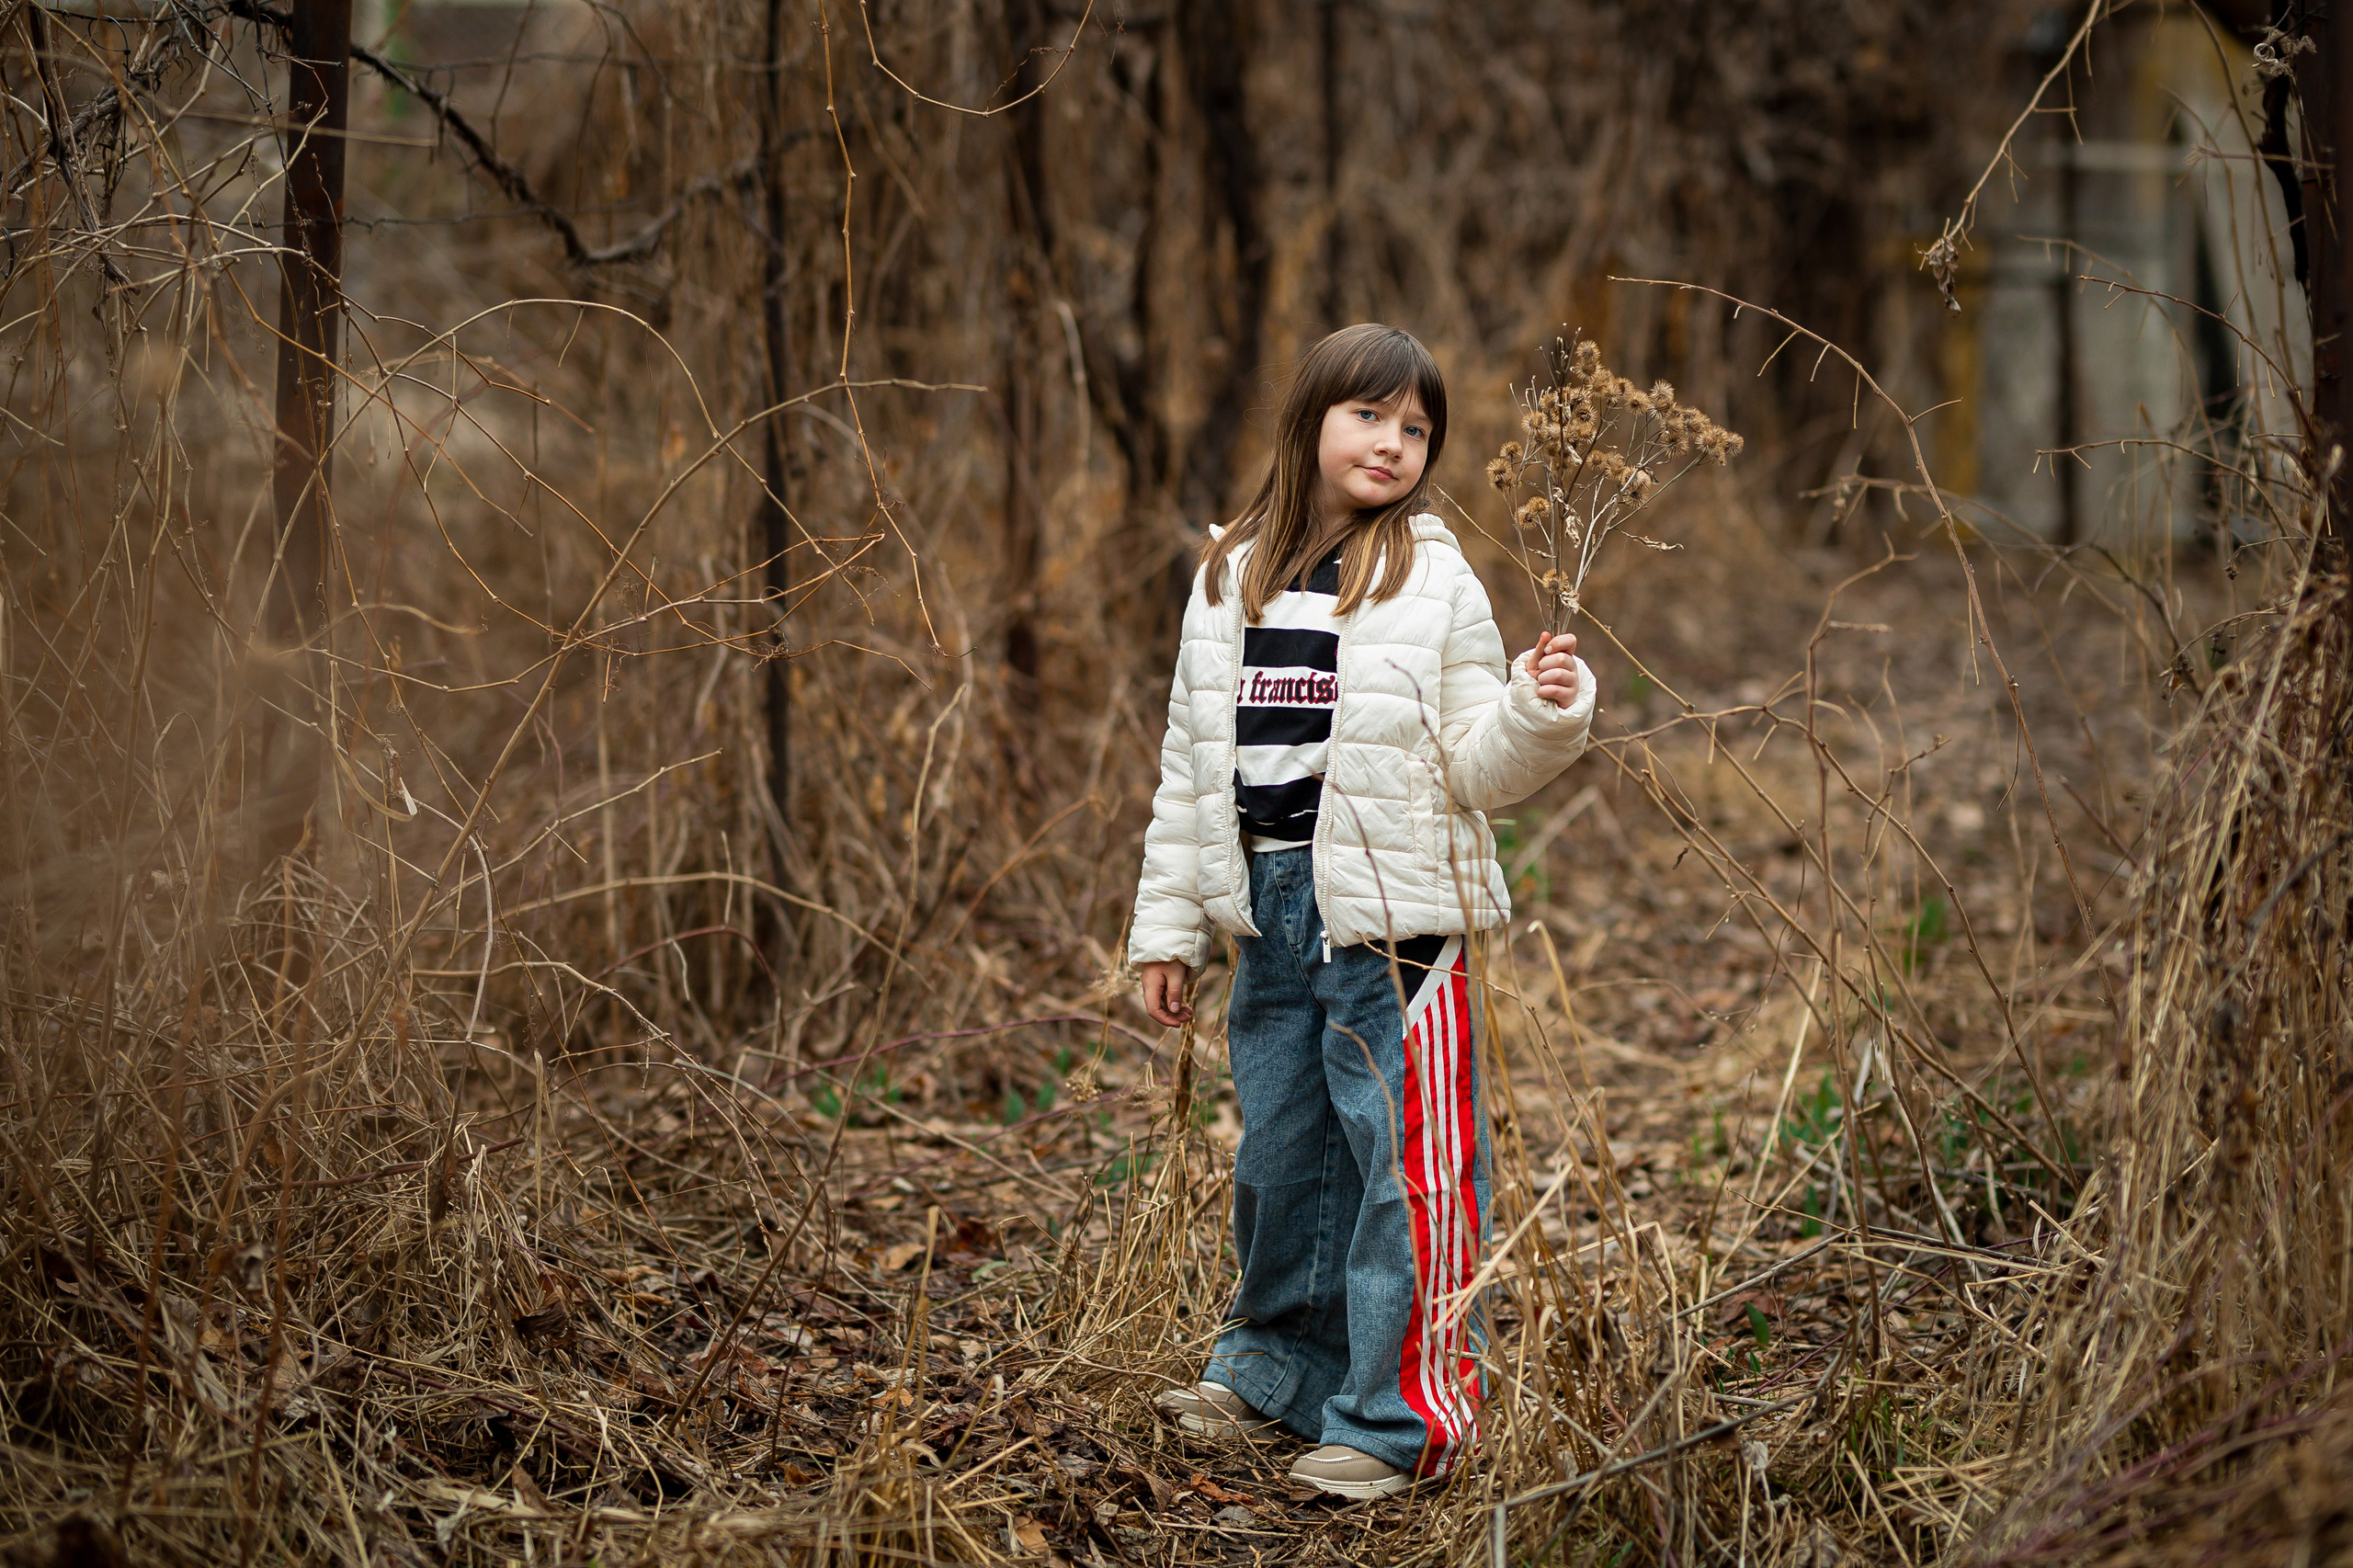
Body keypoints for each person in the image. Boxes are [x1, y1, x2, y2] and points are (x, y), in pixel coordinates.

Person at [1129, 323, 1597, 1499]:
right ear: (1309, 421)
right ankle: (1276, 1370)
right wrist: (1170, 923)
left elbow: (1477, 763)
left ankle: (1396, 1416)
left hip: (1396, 922)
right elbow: (1192, 765)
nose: (1392, 443)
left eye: (1416, 428)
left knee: (1405, 1170)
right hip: (1270, 914)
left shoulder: (1432, 577)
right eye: (1368, 416)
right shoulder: (1229, 571)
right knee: (1282, 1156)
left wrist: (1541, 709)